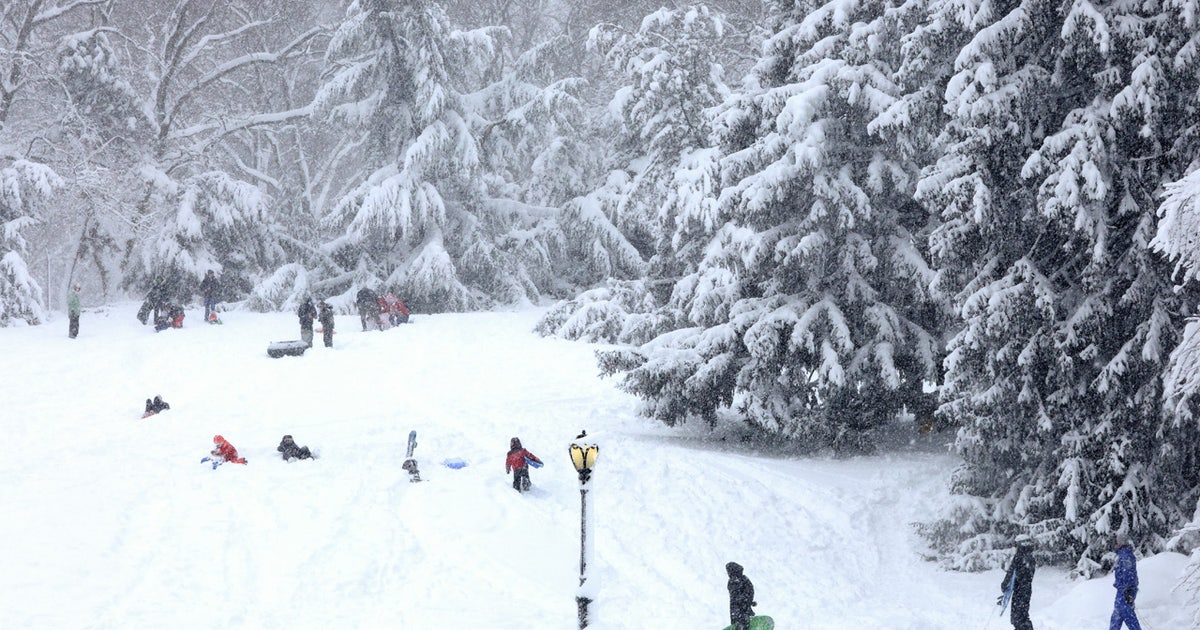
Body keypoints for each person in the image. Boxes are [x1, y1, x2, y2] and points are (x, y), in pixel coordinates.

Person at [999, 535, 1036, 630]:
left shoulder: (1019, 557)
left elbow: (1011, 573)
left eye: (1016, 545)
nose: (1015, 547)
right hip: (1026, 590)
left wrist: (1004, 586)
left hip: (1019, 590)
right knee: (1022, 617)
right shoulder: (1031, 557)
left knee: (1017, 618)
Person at [1110, 532, 1141, 630]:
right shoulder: (1122, 555)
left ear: (1120, 542)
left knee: (1128, 617)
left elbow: (1129, 574)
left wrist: (1127, 590)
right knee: (1116, 617)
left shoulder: (1125, 556)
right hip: (1122, 591)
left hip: (1125, 592)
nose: (1114, 544)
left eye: (1116, 542)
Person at [726, 561, 756, 630]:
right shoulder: (731, 581)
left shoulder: (743, 580)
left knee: (744, 624)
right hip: (736, 610)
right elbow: (733, 597)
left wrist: (745, 600)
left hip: (742, 609)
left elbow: (750, 591)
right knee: (740, 624)